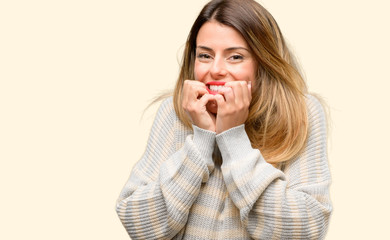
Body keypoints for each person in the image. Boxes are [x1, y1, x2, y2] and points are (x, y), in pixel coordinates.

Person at [116, 0, 332, 239]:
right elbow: (138, 223)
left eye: (235, 57)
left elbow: (307, 228)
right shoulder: (174, 111)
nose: (216, 69)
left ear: (264, 62)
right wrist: (201, 142)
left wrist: (233, 138)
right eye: (205, 55)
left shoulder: (301, 112)